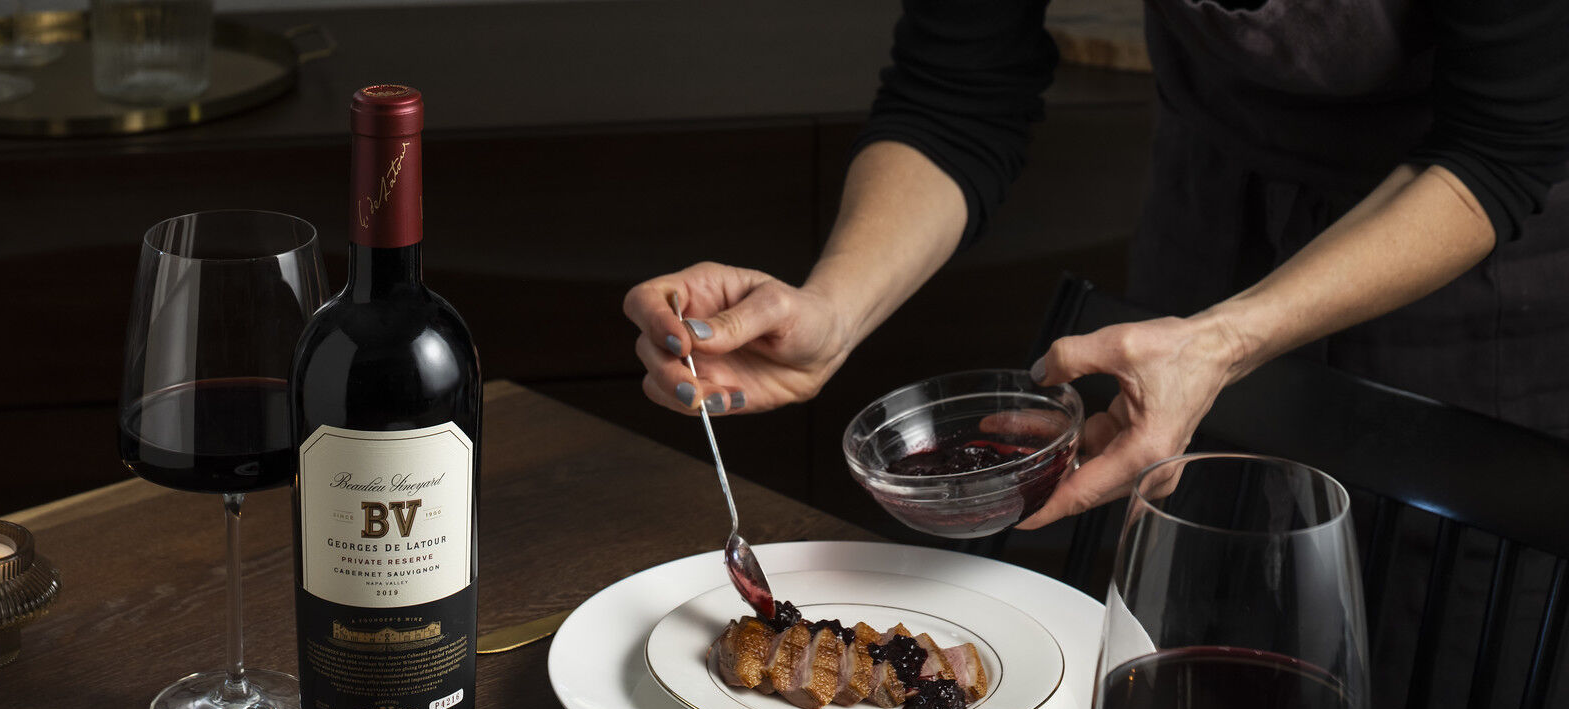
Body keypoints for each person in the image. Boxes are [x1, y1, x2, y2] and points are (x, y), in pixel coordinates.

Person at [623, 0, 1569, 531]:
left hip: (1470, 264)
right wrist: (832, 307)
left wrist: (1226, 340)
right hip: (1210, 219)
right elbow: (957, 94)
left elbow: (1501, 145)